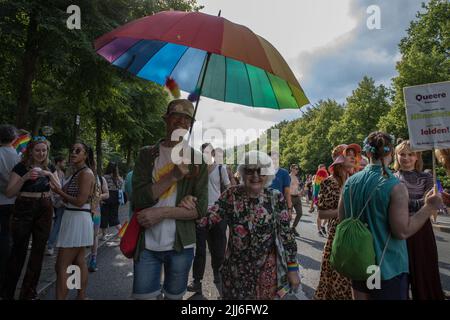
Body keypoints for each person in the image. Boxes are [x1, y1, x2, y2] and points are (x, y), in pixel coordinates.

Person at [338, 132, 443, 300]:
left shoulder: (350, 182)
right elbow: (402, 232)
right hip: (386, 266)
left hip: (358, 262)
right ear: (391, 152)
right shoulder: (394, 185)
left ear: (367, 153)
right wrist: (428, 207)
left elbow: (343, 220)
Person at [191, 151, 300, 299]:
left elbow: (286, 235)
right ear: (242, 173)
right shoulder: (231, 195)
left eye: (260, 170)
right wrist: (191, 208)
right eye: (250, 170)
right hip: (236, 272)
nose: (255, 175)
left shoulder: (275, 197)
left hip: (266, 272)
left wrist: (293, 269)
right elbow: (208, 219)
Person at [131, 99, 208, 300]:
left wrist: (162, 212)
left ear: (191, 125)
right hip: (146, 243)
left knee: (174, 298)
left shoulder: (197, 160)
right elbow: (138, 199)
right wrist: (172, 177)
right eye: (176, 115)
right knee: (143, 297)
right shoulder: (146, 155)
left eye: (187, 118)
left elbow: (200, 208)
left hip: (181, 247)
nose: (181, 121)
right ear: (166, 119)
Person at [1, 136, 60, 300]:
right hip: (24, 207)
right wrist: (25, 177)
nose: (41, 153)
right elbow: (9, 192)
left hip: (45, 207)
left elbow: (59, 188)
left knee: (38, 252)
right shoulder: (21, 167)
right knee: (17, 251)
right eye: (37, 150)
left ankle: (28, 293)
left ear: (47, 151)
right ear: (31, 151)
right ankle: (7, 293)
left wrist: (49, 174)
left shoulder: (50, 167)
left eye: (44, 150)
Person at [393, 140, 444, 300]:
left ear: (417, 157)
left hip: (422, 230)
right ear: (396, 156)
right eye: (402, 154)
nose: (406, 158)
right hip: (398, 230)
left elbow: (434, 206)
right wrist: (423, 203)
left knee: (424, 274)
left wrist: (432, 202)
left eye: (411, 154)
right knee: (399, 277)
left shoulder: (427, 176)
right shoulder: (391, 178)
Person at [51, 142, 95, 300]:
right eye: (72, 150)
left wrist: (58, 192)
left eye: (78, 150)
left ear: (86, 155)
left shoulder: (86, 173)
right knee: (78, 262)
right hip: (74, 217)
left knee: (61, 265)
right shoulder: (77, 172)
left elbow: (80, 201)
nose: (73, 153)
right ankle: (81, 297)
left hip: (77, 218)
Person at [188, 143, 231, 295]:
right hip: (200, 214)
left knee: (218, 249)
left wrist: (225, 208)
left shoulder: (221, 169)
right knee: (199, 249)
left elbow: (228, 188)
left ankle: (217, 275)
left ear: (212, 153)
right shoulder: (197, 170)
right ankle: (197, 281)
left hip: (218, 215)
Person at [314, 144, 354, 300]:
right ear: (339, 159)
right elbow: (322, 213)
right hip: (337, 238)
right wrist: (345, 210)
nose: (352, 157)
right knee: (336, 283)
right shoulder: (329, 182)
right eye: (348, 154)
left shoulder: (355, 179)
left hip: (356, 237)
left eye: (353, 154)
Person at [0, 125, 20, 290]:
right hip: (14, 201)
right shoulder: (19, 156)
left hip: (1, 199)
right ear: (14, 139)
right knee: (8, 235)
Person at [88, 160, 109, 272]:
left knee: (94, 235)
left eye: (93, 164)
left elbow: (107, 194)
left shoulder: (100, 178)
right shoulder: (78, 175)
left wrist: (98, 196)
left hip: (95, 211)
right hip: (81, 211)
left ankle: (93, 259)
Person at [46, 155, 67, 255]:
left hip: (54, 200)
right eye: (63, 162)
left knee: (54, 223)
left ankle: (51, 243)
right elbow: (56, 188)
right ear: (58, 162)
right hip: (57, 201)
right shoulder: (56, 173)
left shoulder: (61, 173)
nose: (64, 164)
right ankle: (50, 245)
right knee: (57, 224)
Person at [100, 161, 123, 239]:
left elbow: (101, 188)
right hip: (115, 199)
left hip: (106, 198)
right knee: (115, 217)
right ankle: (122, 232)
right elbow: (121, 187)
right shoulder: (119, 178)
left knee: (104, 217)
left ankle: (104, 235)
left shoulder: (104, 177)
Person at [268, 151, 292, 223]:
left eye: (275, 159)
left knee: (280, 228)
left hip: (279, 205)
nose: (273, 161)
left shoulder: (284, 173)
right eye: (271, 159)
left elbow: (287, 192)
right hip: (265, 205)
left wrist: (289, 209)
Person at [311, 164, 329, 236]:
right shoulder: (316, 177)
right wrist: (314, 201)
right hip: (319, 198)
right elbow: (315, 190)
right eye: (322, 169)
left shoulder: (327, 176)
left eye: (325, 169)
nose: (324, 170)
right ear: (319, 169)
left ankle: (322, 226)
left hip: (327, 197)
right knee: (320, 215)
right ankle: (319, 230)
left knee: (328, 216)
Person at [289, 164, 302, 237]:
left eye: (297, 169)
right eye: (296, 169)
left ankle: (293, 228)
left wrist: (299, 192)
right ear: (292, 169)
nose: (297, 170)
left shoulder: (296, 178)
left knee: (299, 213)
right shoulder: (288, 177)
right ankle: (286, 230)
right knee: (288, 215)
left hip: (297, 197)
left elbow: (297, 187)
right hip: (290, 197)